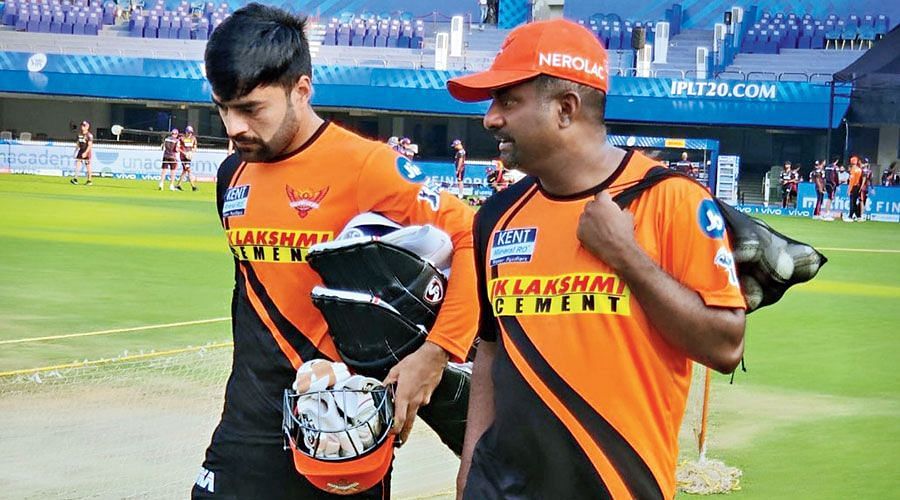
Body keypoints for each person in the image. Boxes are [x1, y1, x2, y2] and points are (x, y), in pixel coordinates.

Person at [446, 19, 746, 500]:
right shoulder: (496, 217)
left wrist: (626, 256)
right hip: (499, 488)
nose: (490, 119)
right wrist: (468, 475)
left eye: (508, 101)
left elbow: (726, 347)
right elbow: (490, 348)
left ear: (566, 108)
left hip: (618, 486)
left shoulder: (672, 200)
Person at [196, 4, 478, 498]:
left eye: (251, 109)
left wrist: (437, 353)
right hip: (248, 423)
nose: (233, 126)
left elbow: (472, 238)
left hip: (341, 423)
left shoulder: (368, 166)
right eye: (223, 107)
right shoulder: (230, 177)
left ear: (301, 90)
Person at [175, 125, 199, 191]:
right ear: (186, 132)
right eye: (188, 132)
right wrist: (184, 153)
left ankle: (178, 185)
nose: (190, 134)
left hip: (189, 157)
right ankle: (193, 186)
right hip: (183, 157)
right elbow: (177, 148)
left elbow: (195, 147)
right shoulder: (181, 138)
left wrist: (191, 152)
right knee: (188, 170)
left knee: (185, 171)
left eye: (191, 132)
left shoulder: (193, 139)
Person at [70, 120, 93, 185]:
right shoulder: (79, 134)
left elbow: (90, 145)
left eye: (84, 126)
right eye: (82, 125)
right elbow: (78, 144)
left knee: (88, 165)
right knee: (78, 164)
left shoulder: (89, 135)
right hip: (81, 151)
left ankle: (89, 180)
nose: (82, 127)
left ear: (87, 127)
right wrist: (75, 151)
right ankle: (75, 179)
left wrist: (86, 152)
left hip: (87, 152)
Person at [846, 155, 863, 221]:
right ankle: (858, 216)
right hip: (858, 187)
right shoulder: (859, 169)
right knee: (854, 202)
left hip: (854, 187)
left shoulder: (853, 170)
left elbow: (851, 181)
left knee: (852, 202)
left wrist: (849, 190)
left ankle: (850, 216)